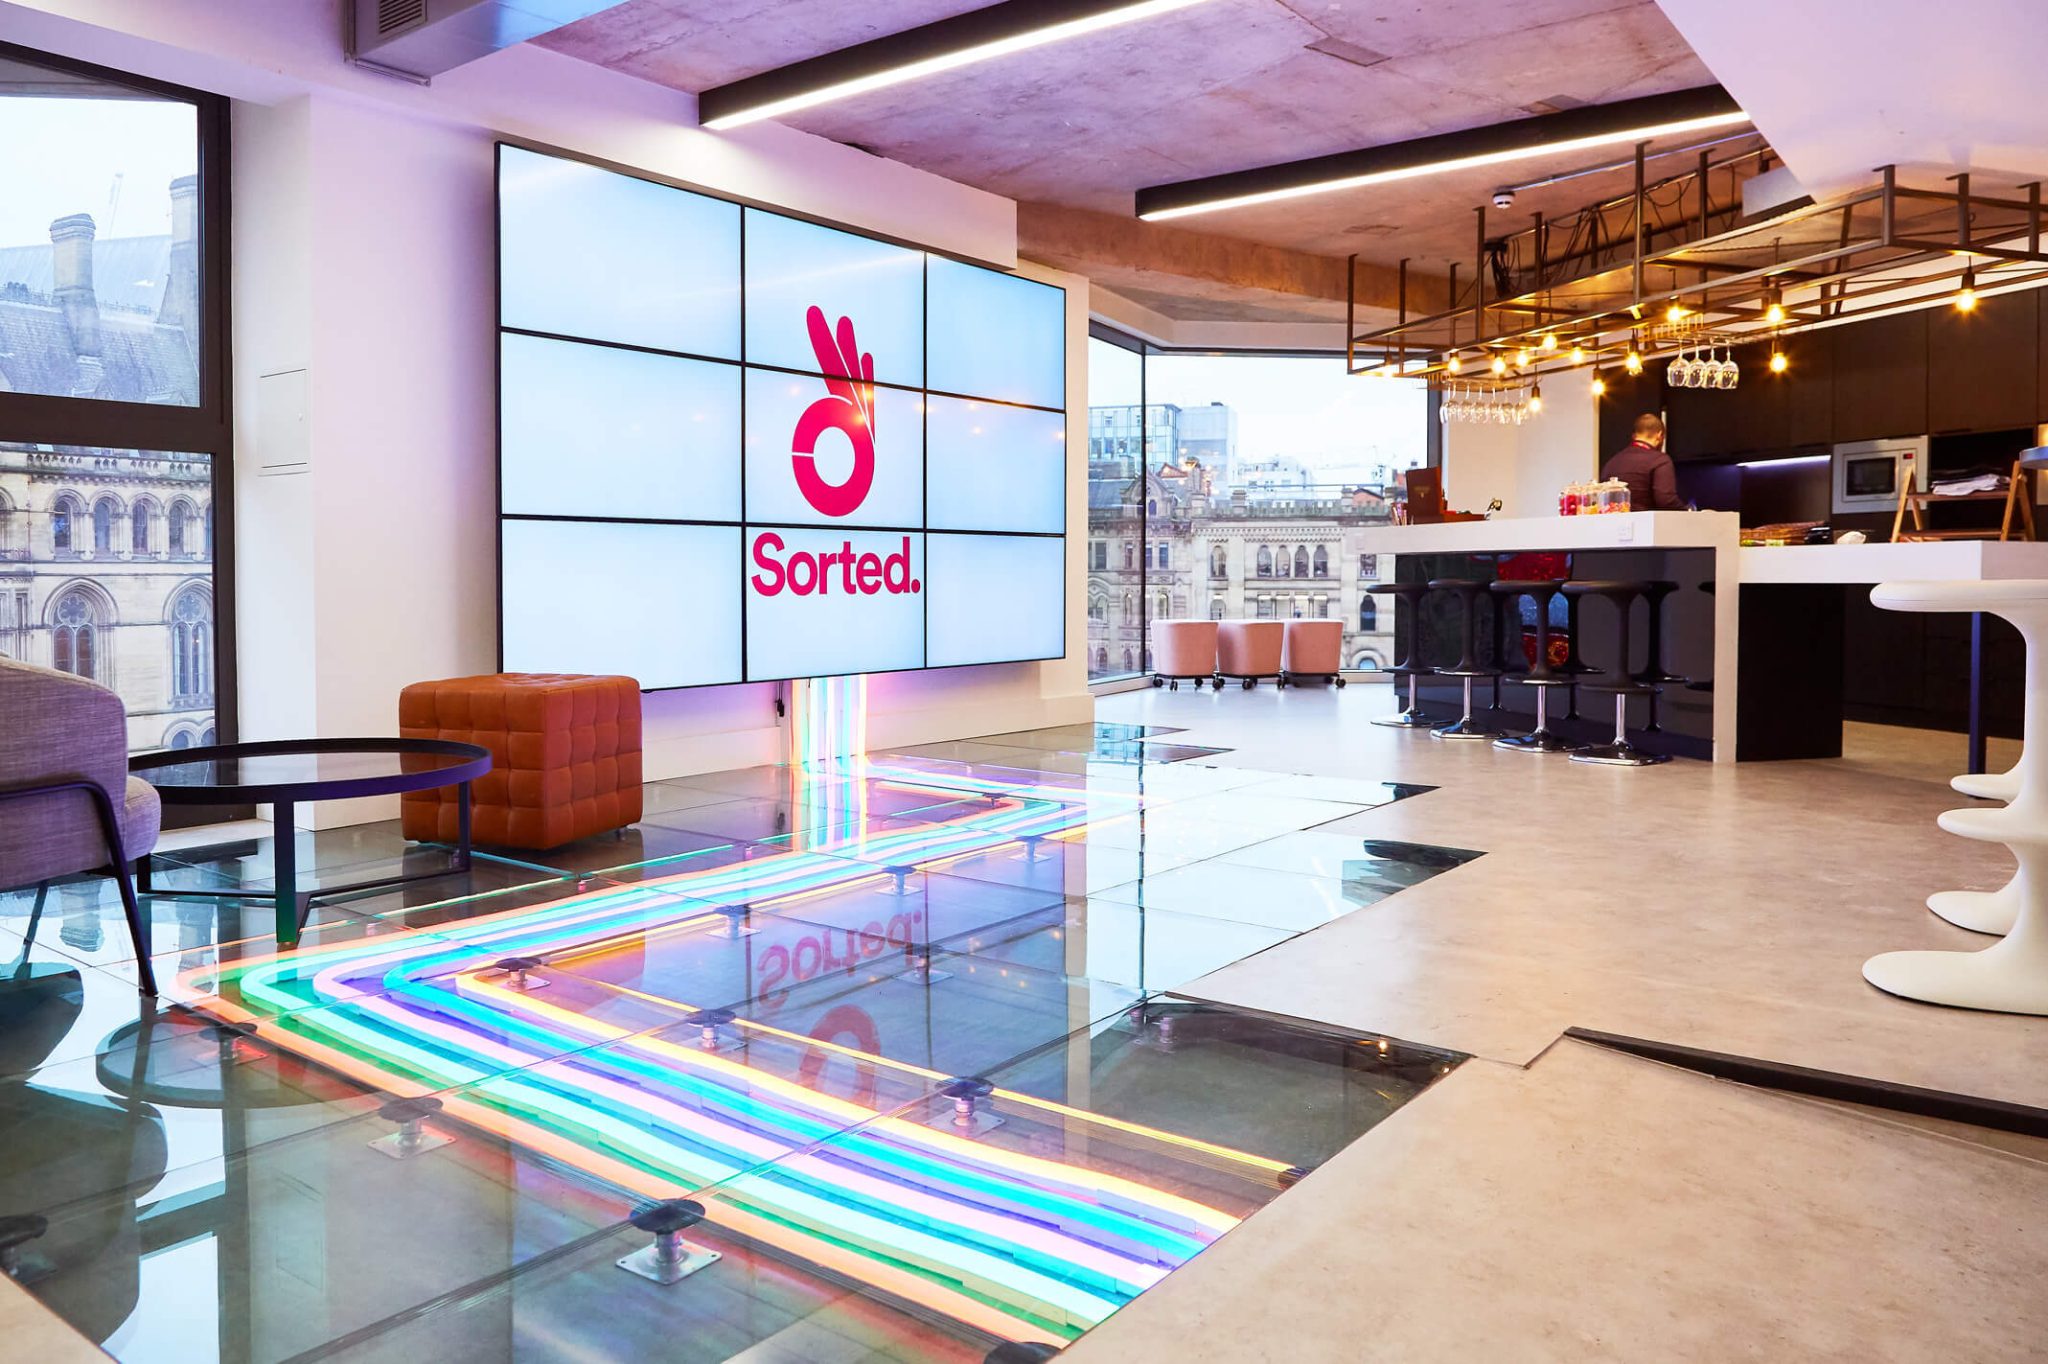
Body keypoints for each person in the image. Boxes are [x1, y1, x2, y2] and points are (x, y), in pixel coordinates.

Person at [1602, 413, 1686, 511]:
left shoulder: (1612, 462)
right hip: (1647, 524)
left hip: (1612, 524)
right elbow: (1666, 501)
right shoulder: (1660, 460)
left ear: (1634, 435)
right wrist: (1689, 511)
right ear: (1659, 435)